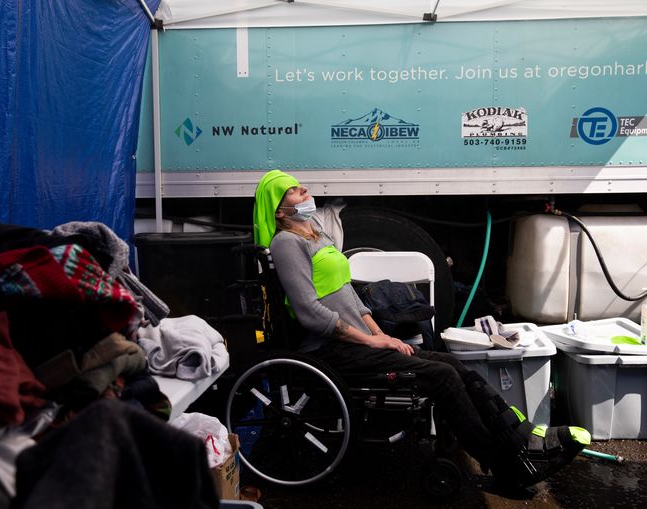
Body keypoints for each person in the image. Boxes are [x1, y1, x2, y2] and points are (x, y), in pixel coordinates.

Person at [252, 169, 590, 489]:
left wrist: (379, 335)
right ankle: (506, 463)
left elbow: (350, 296)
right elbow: (310, 313)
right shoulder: (286, 244)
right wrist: (371, 342)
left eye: (300, 186)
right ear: (279, 211)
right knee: (440, 376)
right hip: (330, 351)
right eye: (293, 191)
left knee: (452, 363)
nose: (304, 191)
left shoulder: (314, 232)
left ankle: (521, 438)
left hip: (359, 342)